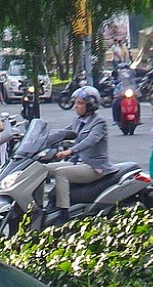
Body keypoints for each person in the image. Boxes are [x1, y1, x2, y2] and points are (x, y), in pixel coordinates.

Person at [44, 86, 111, 226]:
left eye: (80, 103)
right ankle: (38, 207)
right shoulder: (77, 121)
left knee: (61, 173)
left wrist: (70, 151)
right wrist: (39, 140)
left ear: (90, 105)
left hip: (94, 167)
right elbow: (63, 133)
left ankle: (63, 214)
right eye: (76, 103)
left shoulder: (99, 122)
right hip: (78, 163)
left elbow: (90, 140)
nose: (75, 106)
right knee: (43, 169)